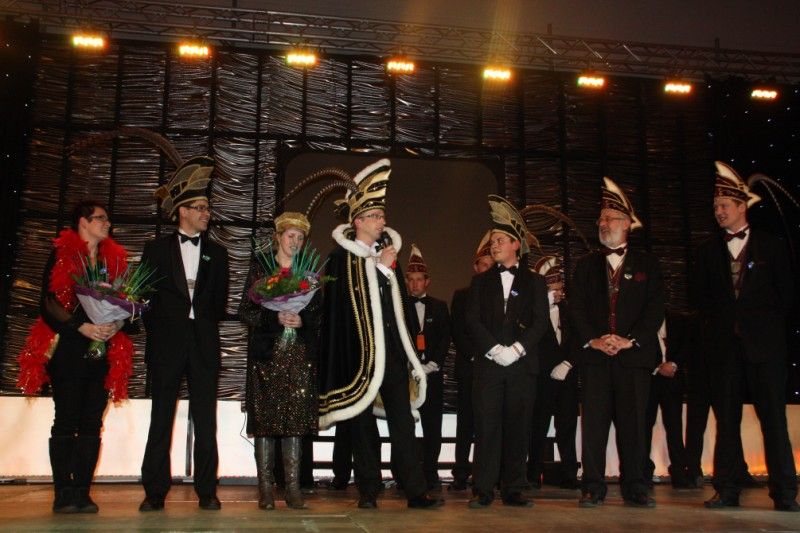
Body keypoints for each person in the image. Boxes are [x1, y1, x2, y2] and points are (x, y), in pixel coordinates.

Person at [317, 158, 443, 510]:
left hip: (392, 355)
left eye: (382, 215)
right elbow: (343, 307)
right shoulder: (341, 258)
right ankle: (368, 490)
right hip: (362, 356)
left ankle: (415, 490)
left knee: (403, 422)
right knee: (361, 426)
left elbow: (399, 306)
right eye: (374, 216)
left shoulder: (388, 257)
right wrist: (381, 270)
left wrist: (410, 350)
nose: (381, 221)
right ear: (357, 221)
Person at [17, 200, 135, 514]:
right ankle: (63, 492)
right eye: (101, 218)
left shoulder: (114, 260)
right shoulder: (62, 253)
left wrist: (115, 324)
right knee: (66, 420)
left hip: (103, 348)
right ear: (83, 222)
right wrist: (81, 326)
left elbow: (129, 303)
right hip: (69, 347)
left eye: (107, 219)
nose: (107, 223)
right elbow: (48, 302)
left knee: (92, 422)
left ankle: (82, 491)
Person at [693, 162, 798, 512]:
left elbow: (786, 296)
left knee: (773, 420)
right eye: (715, 206)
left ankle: (784, 493)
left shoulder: (771, 246)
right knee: (727, 421)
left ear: (742, 206)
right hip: (724, 349)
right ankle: (726, 489)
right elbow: (700, 299)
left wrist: (759, 324)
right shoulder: (708, 251)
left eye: (724, 205)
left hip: (765, 349)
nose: (719, 211)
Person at [139, 156, 230, 512]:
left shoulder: (218, 254)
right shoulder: (156, 250)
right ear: (183, 211)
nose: (207, 213)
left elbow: (219, 304)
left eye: (207, 207)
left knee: (206, 419)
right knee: (161, 417)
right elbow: (144, 299)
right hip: (167, 345)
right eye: (201, 208)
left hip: (204, 345)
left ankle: (207, 490)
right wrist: (163, 331)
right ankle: (154, 491)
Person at [570, 177, 664, 508]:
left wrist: (630, 340)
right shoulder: (585, 266)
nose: (602, 223)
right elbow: (576, 308)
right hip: (596, 360)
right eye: (600, 218)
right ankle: (592, 486)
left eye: (609, 218)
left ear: (626, 223)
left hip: (633, 359)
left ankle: (635, 486)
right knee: (593, 426)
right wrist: (593, 340)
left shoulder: (648, 265)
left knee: (634, 426)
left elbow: (655, 309)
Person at [466, 195, 549, 509]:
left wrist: (517, 349)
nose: (494, 245)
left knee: (518, 427)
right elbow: (472, 321)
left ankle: (514, 488)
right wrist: (493, 349)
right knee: (487, 428)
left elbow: (541, 322)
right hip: (489, 367)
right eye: (492, 241)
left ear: (516, 244)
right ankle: (483, 489)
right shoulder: (479, 282)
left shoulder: (535, 282)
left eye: (500, 240)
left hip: (521, 367)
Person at [239, 212, 321, 510]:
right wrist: (275, 317)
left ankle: (293, 489)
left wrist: (302, 320)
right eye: (290, 236)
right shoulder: (261, 267)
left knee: (294, 420)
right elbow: (245, 311)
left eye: (300, 238)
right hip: (267, 355)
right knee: (265, 421)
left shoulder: (309, 274)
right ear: (278, 237)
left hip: (297, 355)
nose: (295, 242)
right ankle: (265, 489)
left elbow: (319, 315)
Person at [527, 256, 580, 490]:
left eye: (560, 289)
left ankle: (570, 474)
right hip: (541, 379)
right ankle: (532, 474)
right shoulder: (533, 313)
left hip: (567, 377)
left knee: (567, 426)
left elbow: (580, 338)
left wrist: (568, 363)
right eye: (553, 290)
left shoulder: (571, 310)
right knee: (537, 426)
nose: (558, 294)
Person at [449, 233, 494, 491]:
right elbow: (458, 330)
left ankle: (486, 474)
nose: (486, 269)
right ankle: (460, 473)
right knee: (465, 422)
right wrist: (475, 355)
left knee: (489, 422)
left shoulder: (500, 295)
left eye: (491, 265)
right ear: (475, 267)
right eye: (483, 265)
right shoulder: (462, 295)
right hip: (469, 366)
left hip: (494, 367)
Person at [404, 244, 451, 490]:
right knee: (405, 428)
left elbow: (445, 337)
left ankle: (431, 474)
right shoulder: (399, 306)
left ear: (427, 281)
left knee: (433, 427)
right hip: (407, 377)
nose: (415, 284)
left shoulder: (440, 306)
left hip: (432, 376)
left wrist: (433, 364)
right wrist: (410, 365)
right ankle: (405, 475)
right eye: (410, 280)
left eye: (419, 279)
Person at [643, 315, 691, 489]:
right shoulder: (643, 321)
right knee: (645, 425)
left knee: (674, 426)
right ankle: (644, 472)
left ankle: (679, 471)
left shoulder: (676, 321)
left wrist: (674, 364)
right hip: (649, 379)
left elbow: (685, 344)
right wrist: (657, 367)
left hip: (672, 380)